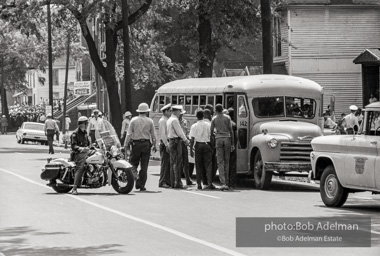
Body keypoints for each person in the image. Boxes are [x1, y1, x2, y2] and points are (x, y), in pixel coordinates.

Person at [124, 103, 157, 191]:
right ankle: (141, 184)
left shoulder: (133, 120)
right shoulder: (150, 121)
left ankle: (136, 177)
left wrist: (125, 144)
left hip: (136, 144)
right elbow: (153, 135)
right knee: (144, 166)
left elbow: (129, 133)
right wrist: (154, 144)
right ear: (146, 111)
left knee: (132, 163)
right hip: (146, 144)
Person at [210, 104, 235, 191]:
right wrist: (232, 144)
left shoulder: (214, 118)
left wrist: (212, 143)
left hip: (218, 139)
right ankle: (227, 182)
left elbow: (211, 132)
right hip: (227, 138)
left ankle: (223, 182)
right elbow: (231, 131)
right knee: (227, 161)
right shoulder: (227, 118)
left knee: (220, 161)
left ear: (216, 110)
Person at [189, 110, 215, 190]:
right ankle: (209, 183)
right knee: (208, 165)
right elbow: (212, 136)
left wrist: (191, 149)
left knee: (198, 165)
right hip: (207, 144)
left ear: (196, 116)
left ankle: (199, 184)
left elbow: (192, 139)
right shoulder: (208, 125)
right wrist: (212, 147)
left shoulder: (194, 126)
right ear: (203, 116)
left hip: (198, 145)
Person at [167, 105, 190, 189]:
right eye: (180, 111)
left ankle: (173, 183)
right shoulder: (175, 120)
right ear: (177, 111)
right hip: (176, 141)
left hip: (171, 141)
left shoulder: (169, 119)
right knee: (177, 163)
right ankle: (178, 183)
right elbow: (179, 132)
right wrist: (186, 140)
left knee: (172, 162)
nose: (180, 113)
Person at [70, 116, 91, 195]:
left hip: (85, 152)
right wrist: (82, 149)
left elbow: (88, 144)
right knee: (81, 166)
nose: (88, 125)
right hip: (77, 154)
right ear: (82, 124)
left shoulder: (85, 132)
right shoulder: (75, 134)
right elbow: (74, 146)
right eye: (86, 123)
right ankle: (74, 188)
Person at [179, 109, 194, 186]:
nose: (182, 115)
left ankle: (188, 179)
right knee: (178, 162)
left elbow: (186, 131)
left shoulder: (184, 121)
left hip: (184, 142)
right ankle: (178, 180)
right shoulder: (175, 121)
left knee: (186, 161)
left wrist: (188, 138)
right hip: (178, 141)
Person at [158, 104, 171, 188]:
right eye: (170, 111)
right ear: (165, 111)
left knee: (168, 164)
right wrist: (166, 144)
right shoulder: (163, 121)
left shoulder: (167, 120)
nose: (171, 112)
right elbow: (163, 135)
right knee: (165, 163)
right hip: (165, 143)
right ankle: (162, 181)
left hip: (167, 143)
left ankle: (167, 181)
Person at [227, 108, 237, 189]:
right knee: (232, 165)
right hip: (232, 146)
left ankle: (226, 182)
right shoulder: (233, 124)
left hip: (225, 146)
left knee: (225, 164)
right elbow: (236, 136)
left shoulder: (223, 123)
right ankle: (232, 182)